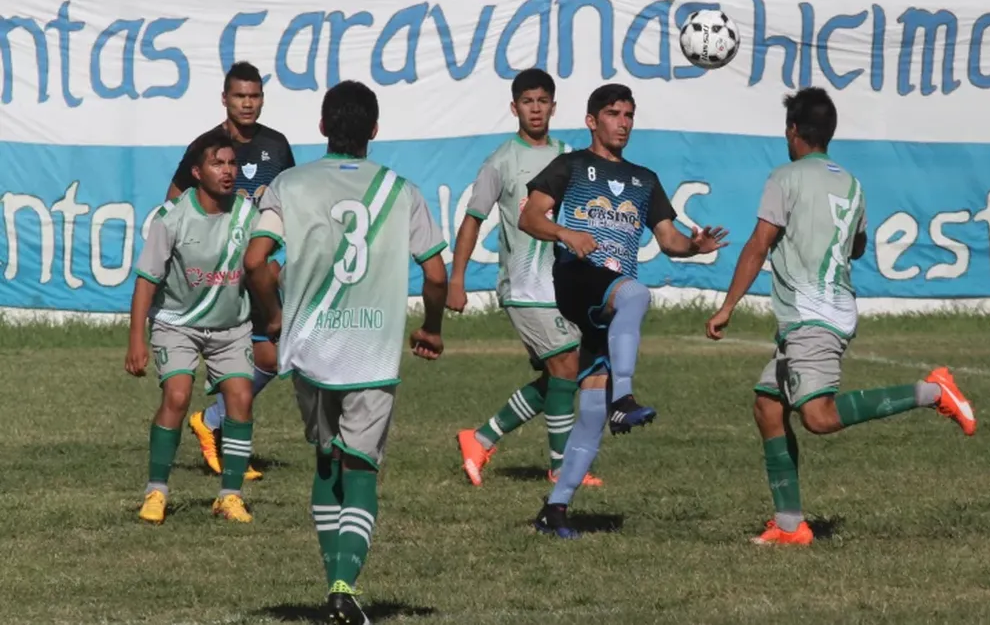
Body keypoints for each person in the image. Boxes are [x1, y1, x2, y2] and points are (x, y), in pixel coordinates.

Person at [705, 86, 977, 546]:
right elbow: (857, 246)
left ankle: (933, 391)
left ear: (793, 131)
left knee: (819, 417)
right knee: (768, 407)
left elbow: (758, 244)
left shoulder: (784, 177)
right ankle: (789, 525)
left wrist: (727, 306)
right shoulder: (851, 184)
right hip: (827, 310)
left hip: (812, 315)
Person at [244, 80, 448, 623]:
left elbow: (255, 260)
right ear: (375, 130)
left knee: (324, 458)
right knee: (360, 467)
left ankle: (334, 583)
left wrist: (273, 317)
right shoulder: (400, 191)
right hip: (371, 354)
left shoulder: (288, 184)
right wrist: (431, 328)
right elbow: (435, 274)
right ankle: (342, 585)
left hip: (311, 348)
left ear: (321, 126)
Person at [519, 83, 728, 539]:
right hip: (578, 278)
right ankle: (625, 399)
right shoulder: (571, 166)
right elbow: (529, 217)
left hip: (607, 301)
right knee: (636, 295)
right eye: (614, 114)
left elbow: (668, 239)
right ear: (592, 121)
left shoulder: (643, 179)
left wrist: (694, 246)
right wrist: (566, 234)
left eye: (629, 114)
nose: (624, 122)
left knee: (590, 410)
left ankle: (554, 511)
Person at [450, 68, 600, 489]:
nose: (536, 109)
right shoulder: (501, 161)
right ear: (514, 108)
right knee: (566, 365)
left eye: (542, 101)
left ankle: (480, 439)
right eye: (527, 102)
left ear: (554, 106)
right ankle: (562, 469)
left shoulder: (570, 156)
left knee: (563, 374)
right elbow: (472, 220)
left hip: (563, 285)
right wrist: (457, 279)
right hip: (524, 286)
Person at [167, 61, 296, 481]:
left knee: (271, 355)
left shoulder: (277, 146)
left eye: (254, 96)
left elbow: (291, 200)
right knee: (248, 354)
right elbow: (174, 201)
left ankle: (213, 421)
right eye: (240, 95)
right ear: (224, 98)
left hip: (257, 268)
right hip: (218, 274)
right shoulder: (207, 147)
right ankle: (221, 434)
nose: (247, 103)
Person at [126, 130, 260, 525]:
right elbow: (146, 280)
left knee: (241, 398)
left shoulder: (247, 216)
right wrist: (136, 339)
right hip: (177, 324)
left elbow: (263, 268)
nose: (228, 171)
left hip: (231, 326)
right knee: (178, 395)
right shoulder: (172, 217)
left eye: (232, 163)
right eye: (218, 164)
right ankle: (156, 491)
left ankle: (230, 497)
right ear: (197, 173)